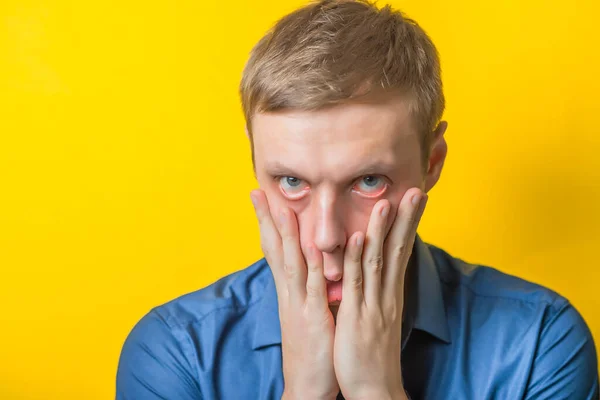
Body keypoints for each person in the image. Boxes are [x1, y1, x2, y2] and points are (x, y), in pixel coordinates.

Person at [116, 0, 599, 399]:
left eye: (369, 181)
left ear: (432, 163)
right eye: (290, 182)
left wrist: (376, 390)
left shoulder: (538, 343)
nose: (326, 237)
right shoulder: (176, 353)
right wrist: (306, 392)